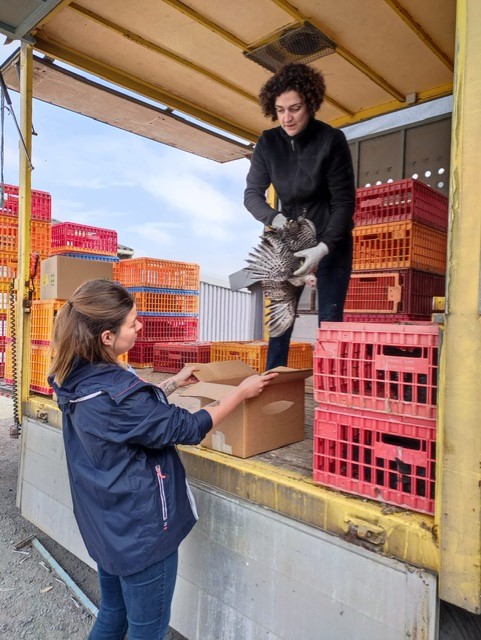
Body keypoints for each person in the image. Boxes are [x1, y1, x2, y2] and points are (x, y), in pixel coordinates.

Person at [48, 278, 277, 640]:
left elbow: (126, 418)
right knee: (148, 630)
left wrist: (171, 383)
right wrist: (240, 393)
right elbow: (186, 427)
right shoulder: (116, 393)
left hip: (105, 524)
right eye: (132, 322)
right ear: (107, 337)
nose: (140, 326)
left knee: (113, 613)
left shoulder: (76, 376)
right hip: (140, 536)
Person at [244, 62, 356, 369]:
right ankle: (272, 388)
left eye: (295, 108)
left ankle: (331, 393)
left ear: (310, 104)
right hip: (288, 240)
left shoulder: (331, 140)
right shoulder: (268, 142)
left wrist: (324, 247)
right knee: (280, 322)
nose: (287, 118)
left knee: (330, 323)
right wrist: (277, 221)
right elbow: (251, 195)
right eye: (280, 110)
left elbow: (344, 202)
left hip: (331, 239)